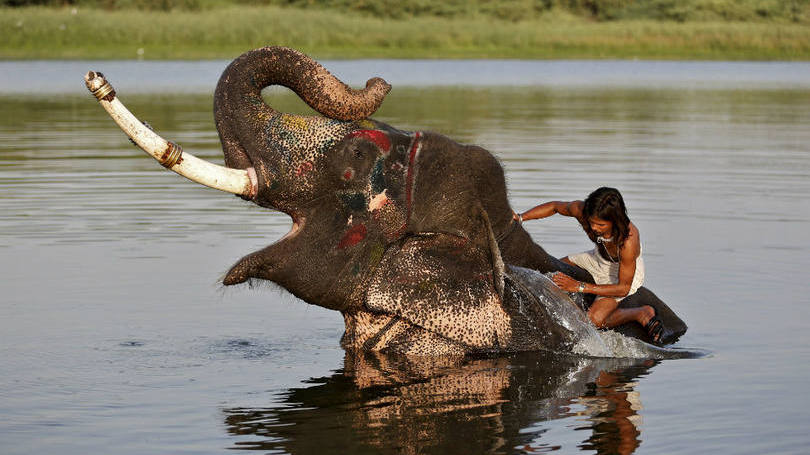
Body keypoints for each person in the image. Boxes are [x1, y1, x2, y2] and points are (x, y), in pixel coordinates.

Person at [514, 187, 666, 343]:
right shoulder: (582, 211)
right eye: (591, 222)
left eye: (601, 225)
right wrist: (520, 217)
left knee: (593, 321)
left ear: (615, 221)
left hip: (619, 273)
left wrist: (579, 286)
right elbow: (555, 206)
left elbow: (623, 288)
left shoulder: (628, 241)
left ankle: (640, 313)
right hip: (597, 258)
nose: (594, 227)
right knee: (549, 268)